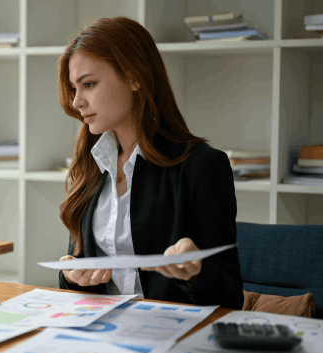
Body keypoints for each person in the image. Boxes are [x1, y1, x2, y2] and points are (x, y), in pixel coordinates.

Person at [56, 16, 243, 309]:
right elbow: (79, 277)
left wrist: (195, 273)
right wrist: (73, 277)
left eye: (89, 84)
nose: (77, 101)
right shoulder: (91, 166)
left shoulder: (203, 168)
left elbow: (230, 298)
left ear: (134, 77)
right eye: (73, 88)